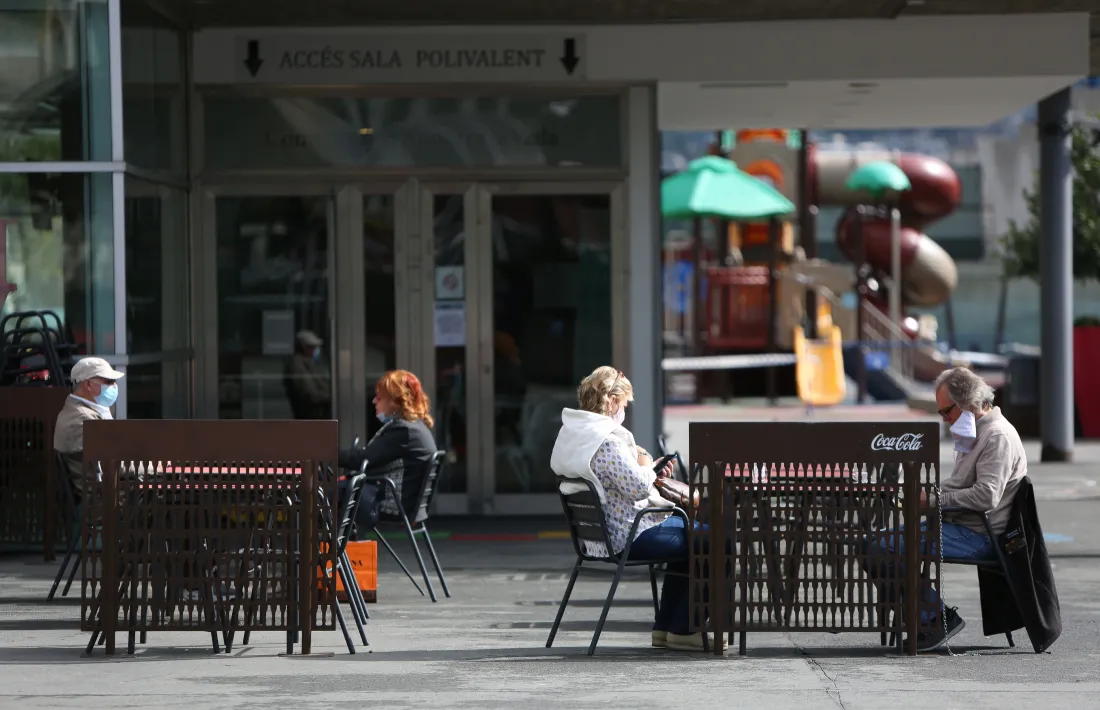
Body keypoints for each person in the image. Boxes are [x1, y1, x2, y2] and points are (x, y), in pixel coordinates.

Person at [866, 366, 1027, 651]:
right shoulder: (976, 432)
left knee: (885, 547)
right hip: (962, 525)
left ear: (970, 403)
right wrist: (927, 494)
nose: (945, 419)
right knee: (870, 543)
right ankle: (922, 615)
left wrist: (935, 500)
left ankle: (933, 618)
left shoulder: (996, 436)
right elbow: (959, 486)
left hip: (980, 535)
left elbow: (986, 496)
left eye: (947, 411)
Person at [550, 366, 704, 651]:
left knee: (693, 538)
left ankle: (670, 627)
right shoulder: (607, 442)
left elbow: (622, 480)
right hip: (627, 536)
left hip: (597, 539)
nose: (624, 412)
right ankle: (683, 629)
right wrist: (646, 466)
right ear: (611, 402)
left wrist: (646, 466)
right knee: (715, 540)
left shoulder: (578, 437)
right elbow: (639, 488)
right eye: (622, 404)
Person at [338, 370, 437, 533]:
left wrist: (325, 452)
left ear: (395, 401)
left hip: (393, 504)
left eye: (379, 397)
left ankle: (319, 553)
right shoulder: (415, 427)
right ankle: (332, 552)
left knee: (321, 496)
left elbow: (363, 460)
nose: (374, 401)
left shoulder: (403, 430)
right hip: (408, 504)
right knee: (337, 491)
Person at [54, 357, 124, 502]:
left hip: (106, 492)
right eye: (108, 382)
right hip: (105, 501)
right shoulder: (84, 419)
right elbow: (113, 463)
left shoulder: (83, 411)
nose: (114, 386)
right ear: (88, 384)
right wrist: (154, 466)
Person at [284, 330, 331, 419]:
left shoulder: (310, 364)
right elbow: (312, 395)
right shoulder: (297, 365)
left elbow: (322, 384)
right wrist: (332, 396)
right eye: (312, 347)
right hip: (314, 414)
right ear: (303, 347)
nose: (315, 350)